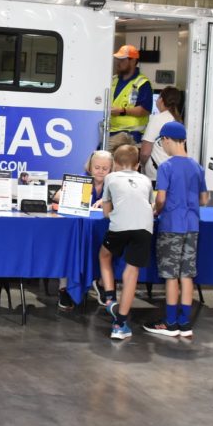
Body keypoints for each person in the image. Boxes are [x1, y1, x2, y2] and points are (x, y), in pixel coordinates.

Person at [143, 122, 208, 339]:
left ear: (167, 140)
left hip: (171, 226)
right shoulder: (197, 167)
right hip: (192, 226)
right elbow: (204, 199)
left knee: (171, 276)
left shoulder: (166, 167)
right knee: (187, 274)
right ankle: (185, 322)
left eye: (162, 142)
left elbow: (160, 198)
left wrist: (156, 209)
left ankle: (170, 322)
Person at [98, 144, 153, 340]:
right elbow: (149, 204)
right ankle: (120, 324)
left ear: (115, 164)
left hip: (119, 226)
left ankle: (109, 298)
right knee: (131, 273)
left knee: (104, 255)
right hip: (144, 228)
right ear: (138, 165)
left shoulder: (110, 178)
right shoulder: (146, 180)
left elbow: (106, 212)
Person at [54, 149, 112, 311]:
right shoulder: (81, 179)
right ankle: (64, 288)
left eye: (105, 168)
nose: (100, 171)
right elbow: (57, 196)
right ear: (90, 167)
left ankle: (101, 283)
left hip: (102, 229)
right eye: (97, 167)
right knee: (69, 249)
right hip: (78, 230)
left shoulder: (113, 182)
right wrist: (77, 197)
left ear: (111, 169)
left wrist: (107, 201)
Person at [107, 45, 152, 152]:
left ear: (133, 61)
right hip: (109, 131)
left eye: (122, 60)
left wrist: (122, 111)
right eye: (117, 59)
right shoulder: (113, 80)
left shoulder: (142, 83)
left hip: (129, 135)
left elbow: (144, 110)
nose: (118, 62)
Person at [139, 86, 183, 177]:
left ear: (161, 100)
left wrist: (142, 165)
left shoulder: (157, 119)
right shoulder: (178, 120)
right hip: (173, 172)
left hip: (157, 174)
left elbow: (145, 152)